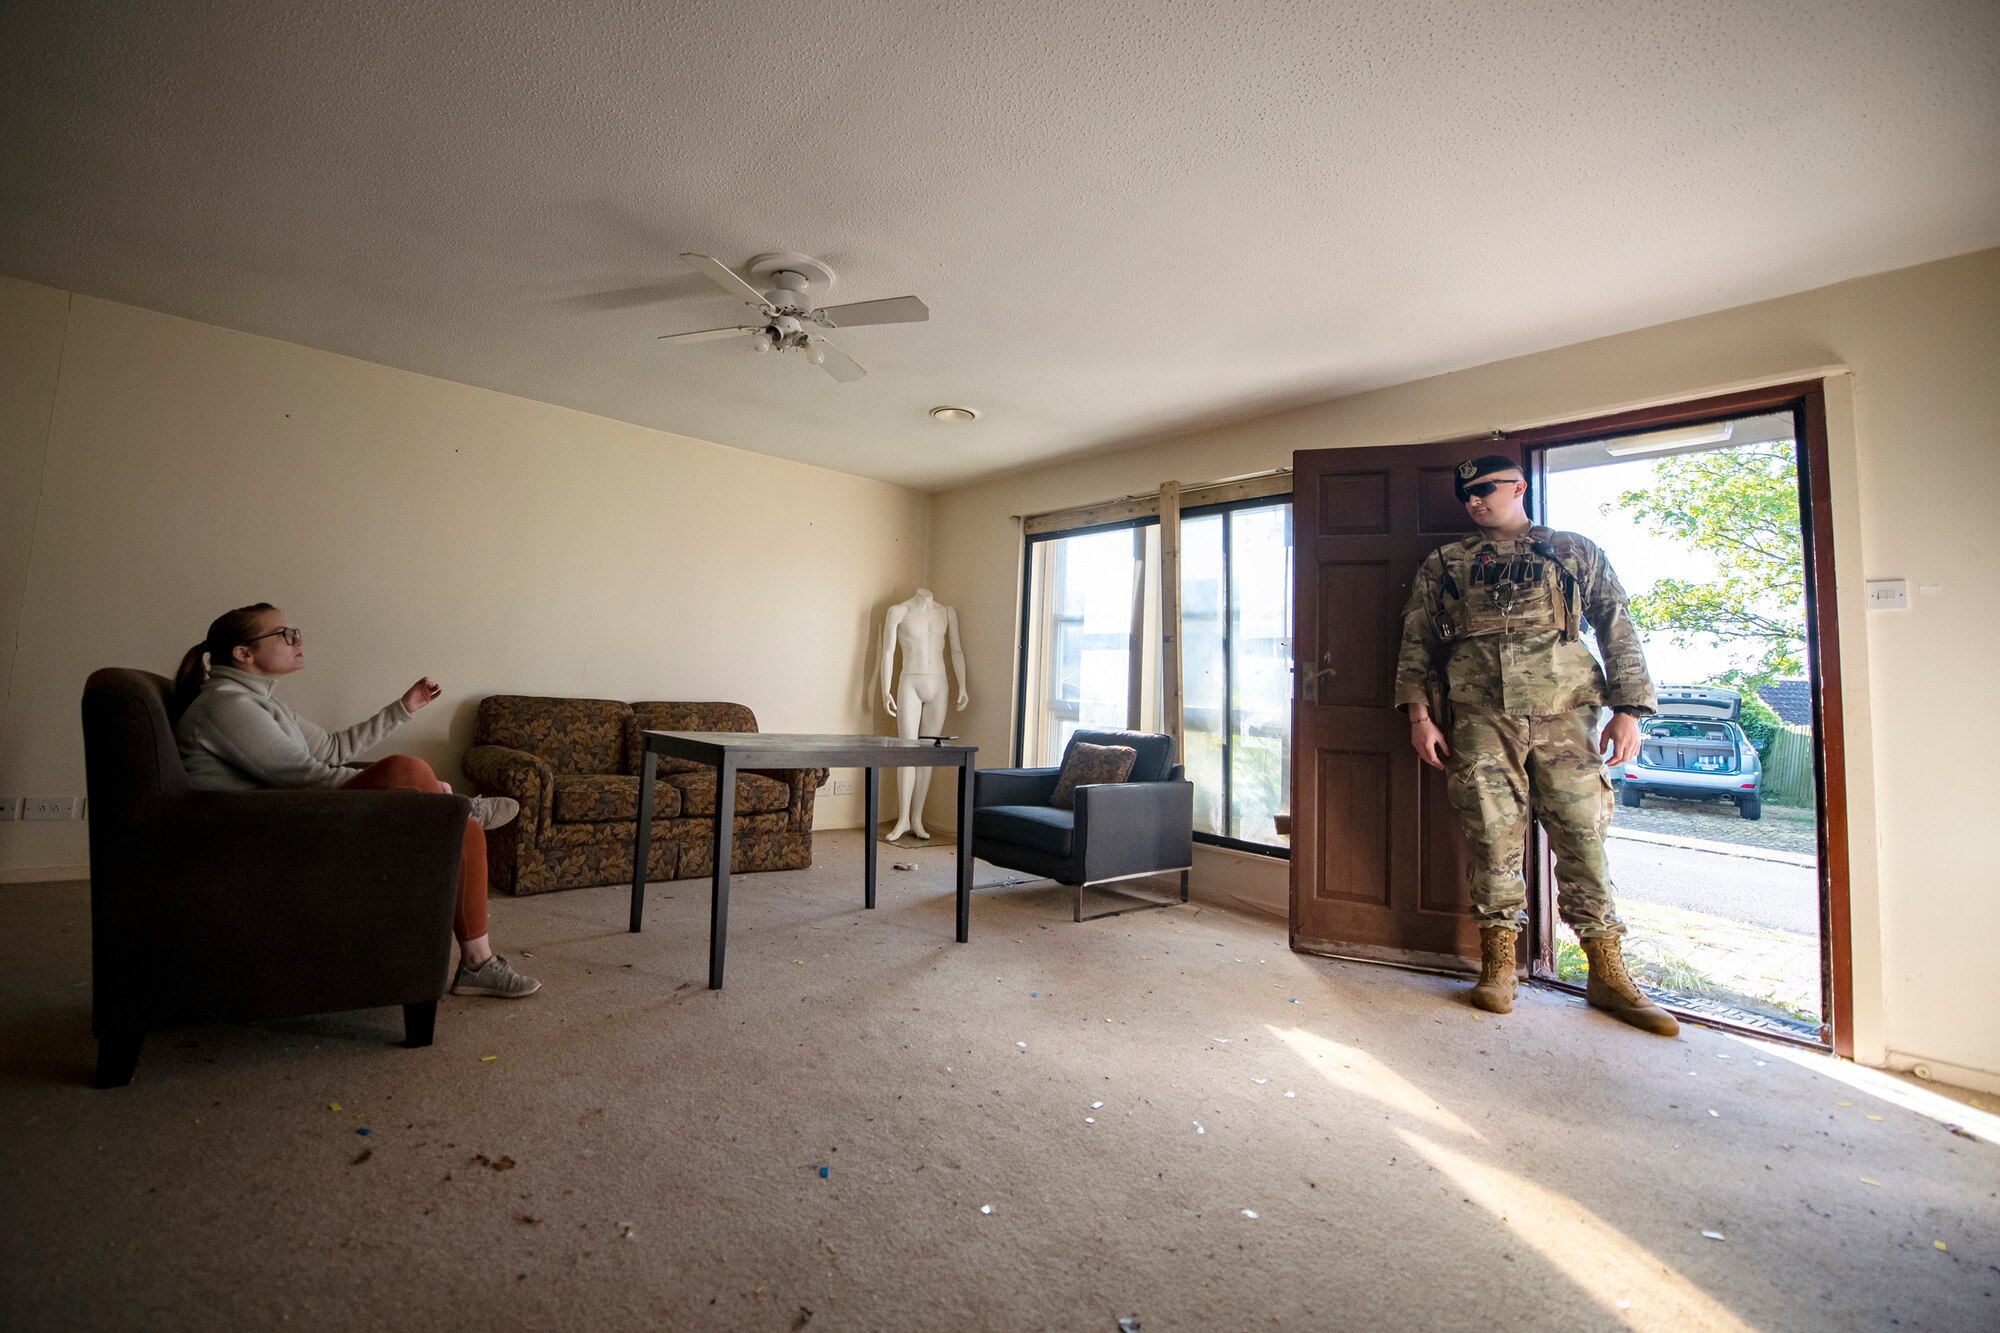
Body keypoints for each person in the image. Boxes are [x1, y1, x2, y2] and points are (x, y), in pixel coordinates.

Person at [1394, 456, 1676, 1036]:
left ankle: (1607, 971)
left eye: (1485, 490)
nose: (1474, 501)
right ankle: (1498, 965)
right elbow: (1416, 639)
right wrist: (1419, 716)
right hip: (1479, 719)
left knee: (1582, 837)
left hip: (1567, 719)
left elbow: (1616, 624)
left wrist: (1629, 711)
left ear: (1519, 487)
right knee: (1491, 839)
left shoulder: (1573, 551)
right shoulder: (1446, 563)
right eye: (1465, 494)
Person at [172, 603, 540, 999]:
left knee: (461, 826)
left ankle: (478, 964)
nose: (298, 640)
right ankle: (459, 805)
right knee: (409, 771)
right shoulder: (227, 707)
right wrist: (409, 787)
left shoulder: (263, 702)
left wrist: (403, 710)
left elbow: (332, 748)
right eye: (284, 634)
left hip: (285, 819)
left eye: (295, 631)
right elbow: (305, 778)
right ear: (243, 653)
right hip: (259, 838)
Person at [879, 588, 969, 842]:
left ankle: (917, 818)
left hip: (939, 684)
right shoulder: (899, 611)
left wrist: (963, 685)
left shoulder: (947, 613)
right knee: (907, 750)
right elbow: (887, 652)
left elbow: (956, 651)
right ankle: (902, 818)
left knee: (928, 751)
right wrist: (885, 691)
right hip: (910, 681)